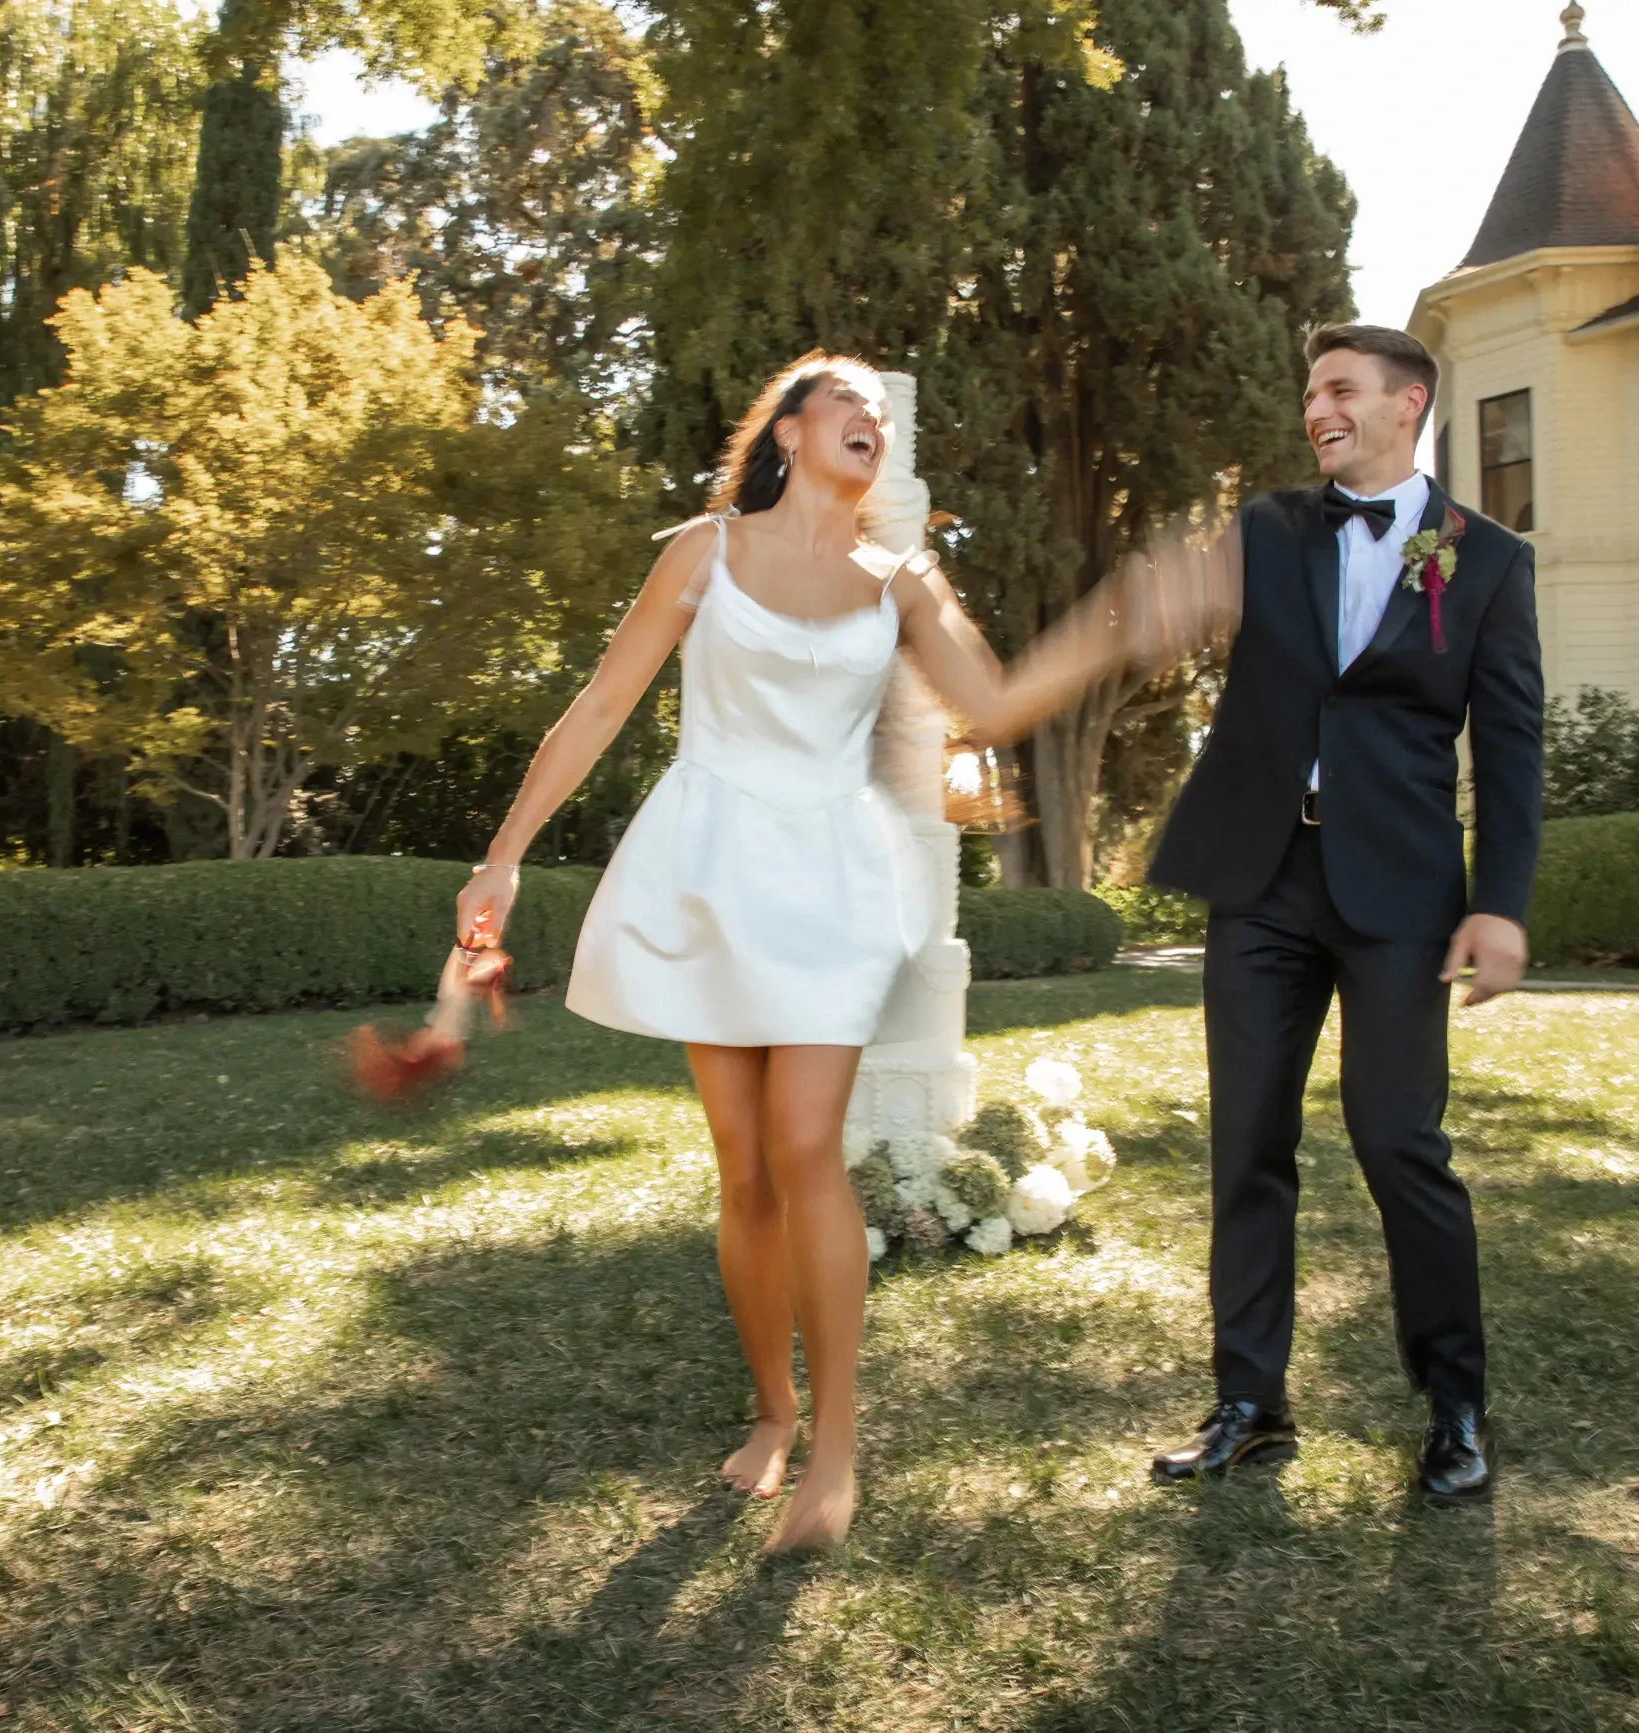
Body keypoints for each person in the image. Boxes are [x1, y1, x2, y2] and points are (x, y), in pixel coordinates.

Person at [456, 353, 1235, 1551]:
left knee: (806, 1139)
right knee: (743, 1162)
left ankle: (835, 1450)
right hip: (711, 864)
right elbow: (602, 704)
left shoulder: (898, 577)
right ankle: (771, 1409)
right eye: (848, 402)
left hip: (828, 874)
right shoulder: (701, 551)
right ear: (786, 428)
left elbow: (1001, 698)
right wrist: (503, 854)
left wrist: (1123, 616)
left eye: (880, 408)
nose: (870, 418)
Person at [1144, 323, 1544, 1503]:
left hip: (1400, 895)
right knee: (1247, 1143)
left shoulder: (1489, 561)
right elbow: (1178, 610)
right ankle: (1249, 1401)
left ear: (1404, 401)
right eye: (1308, 392)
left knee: (1397, 1141)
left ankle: (1454, 1404)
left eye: (1336, 388)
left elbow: (1511, 752)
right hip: (1262, 878)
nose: (1314, 408)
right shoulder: (1267, 529)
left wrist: (1502, 906)